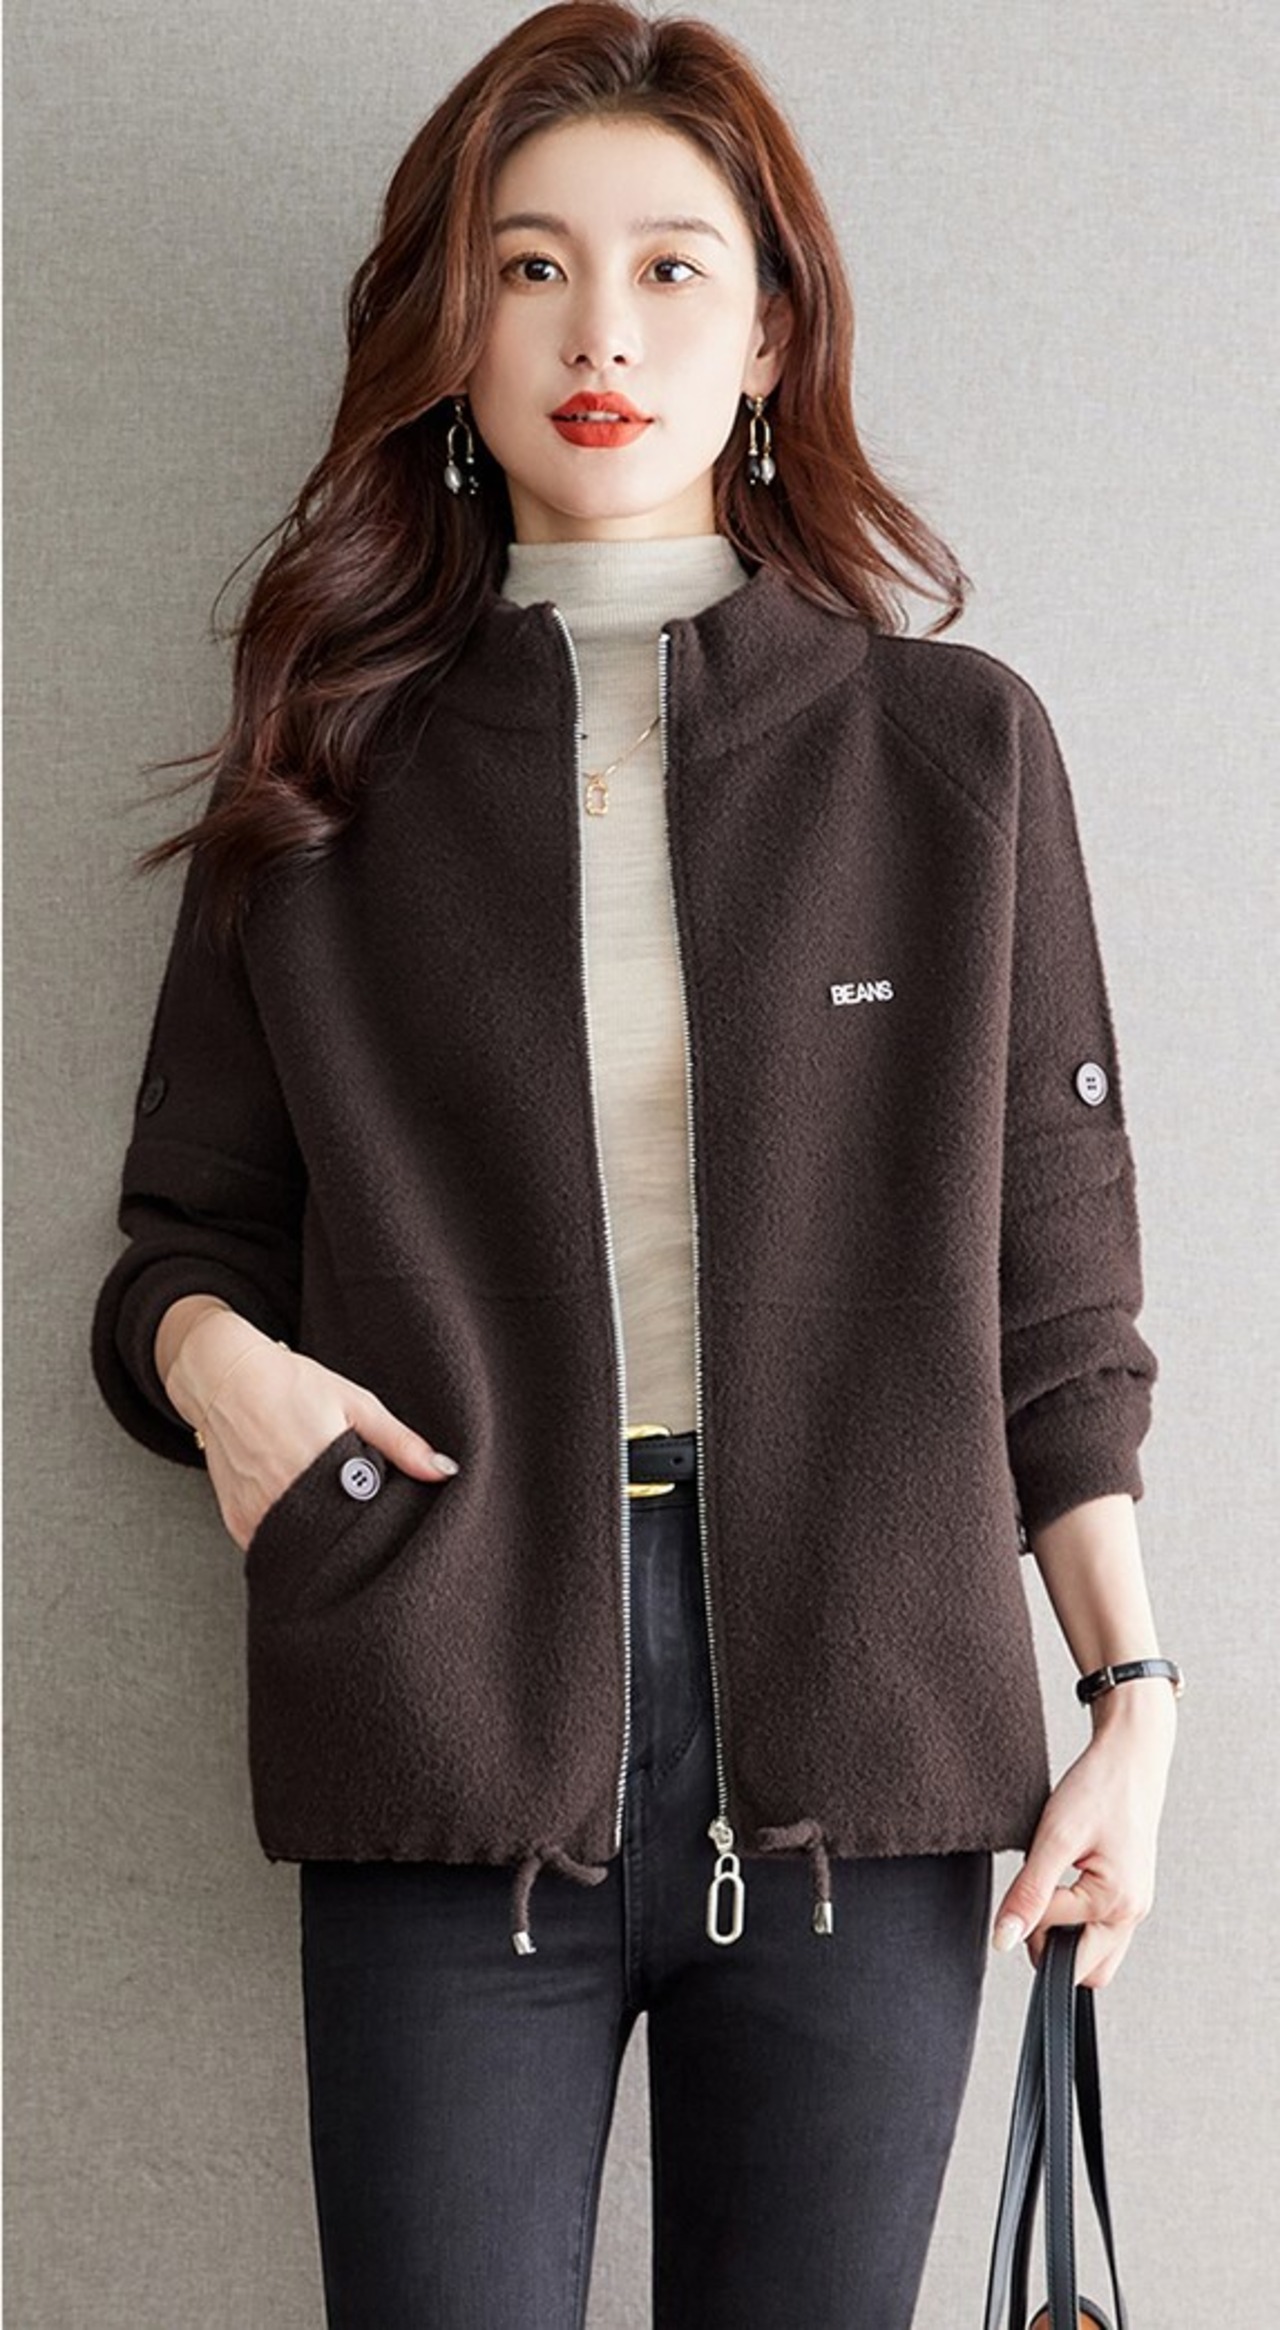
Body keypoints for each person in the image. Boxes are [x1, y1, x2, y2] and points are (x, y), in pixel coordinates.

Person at [89, 5, 1183, 2324]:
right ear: (448, 335)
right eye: (531, 268)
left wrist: (1132, 1698)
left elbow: (1057, 1308)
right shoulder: (327, 777)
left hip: (869, 1748)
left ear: (771, 332)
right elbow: (178, 1243)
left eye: (673, 268)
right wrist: (223, 1373)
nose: (602, 332)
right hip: (442, 1701)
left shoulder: (950, 757)